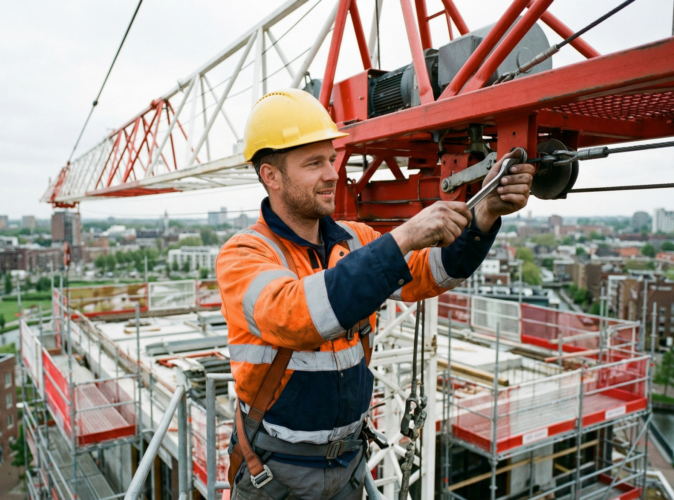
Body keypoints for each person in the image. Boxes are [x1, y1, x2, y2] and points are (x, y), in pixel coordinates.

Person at [216, 89, 534, 500]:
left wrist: (485, 215)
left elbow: (428, 273)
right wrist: (402, 238)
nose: (332, 173)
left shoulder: (354, 239)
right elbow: (296, 315)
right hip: (276, 475)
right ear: (270, 176)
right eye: (314, 163)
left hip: (347, 467)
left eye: (331, 159)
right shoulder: (244, 254)